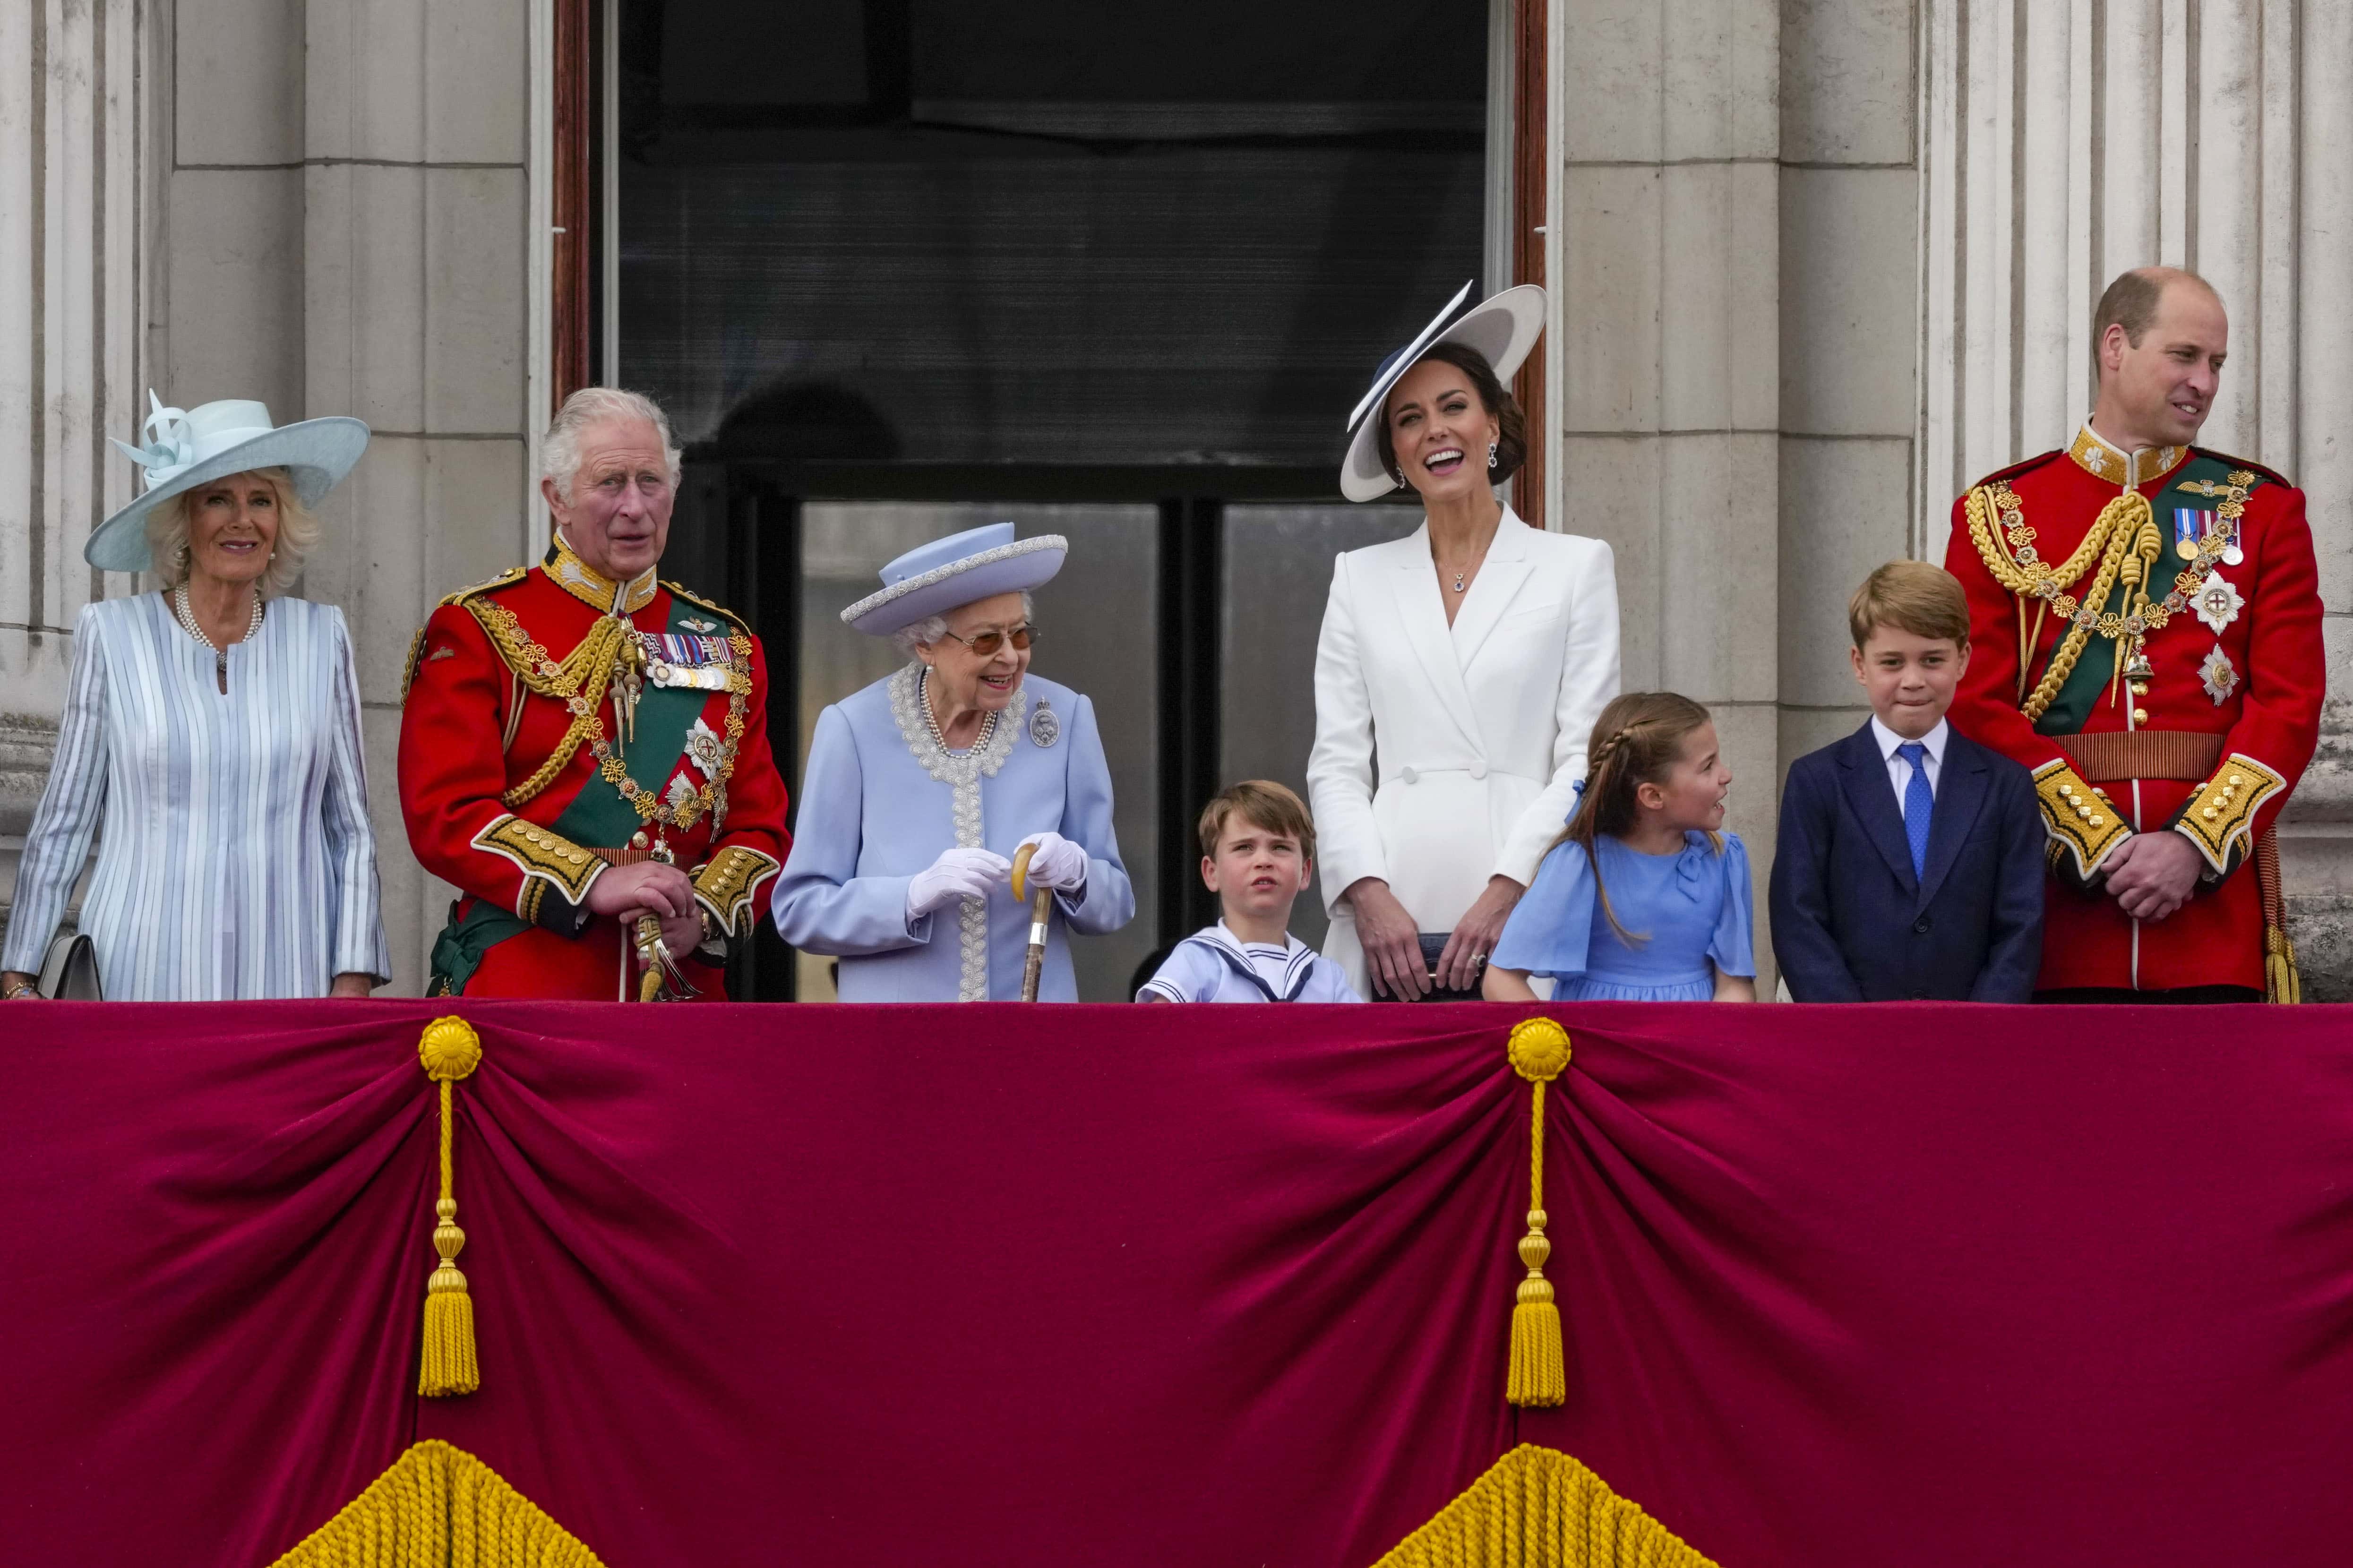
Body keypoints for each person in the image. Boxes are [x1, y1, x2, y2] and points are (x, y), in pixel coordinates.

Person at [1941, 267, 2325, 1002]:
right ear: (2116, 346)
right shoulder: (1998, 512)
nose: (2205, 382)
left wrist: (2193, 845)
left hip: (2210, 921)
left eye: (2216, 363)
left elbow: (2290, 704)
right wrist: (2097, 842)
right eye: (2185, 356)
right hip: (2055, 921)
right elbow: (1974, 704)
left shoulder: (2263, 510)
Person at [397, 387, 793, 1000]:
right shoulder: (481, 627)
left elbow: (760, 828)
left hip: (680, 1004)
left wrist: (704, 913)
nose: (634, 507)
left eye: (651, 482)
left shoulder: (728, 645)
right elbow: (446, 814)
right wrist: (592, 882)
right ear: (556, 497)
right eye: (611, 482)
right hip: (527, 992)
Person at [0, 393, 389, 1001]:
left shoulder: (321, 638)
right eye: (218, 499)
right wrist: (20, 974)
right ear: (184, 519)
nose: (243, 520)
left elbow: (351, 830)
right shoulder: (114, 634)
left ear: (281, 519)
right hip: (142, 970)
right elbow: (65, 820)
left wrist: (353, 976)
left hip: (290, 971)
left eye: (261, 500)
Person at [1310, 282, 1621, 1003]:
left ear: (1493, 426)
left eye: (1454, 406)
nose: (1435, 431)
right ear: (1396, 453)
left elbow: (1586, 753)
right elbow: (1337, 762)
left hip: (1527, 900)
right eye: (1410, 419)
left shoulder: (1575, 565)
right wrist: (1366, 893)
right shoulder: (1358, 577)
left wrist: (1511, 885)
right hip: (1390, 911)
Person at [771, 523, 1134, 1000]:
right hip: (899, 1039)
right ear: (925, 645)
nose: (1011, 657)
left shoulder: (1064, 718)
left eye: (1020, 635)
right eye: (986, 641)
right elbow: (802, 910)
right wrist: (911, 894)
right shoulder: (853, 728)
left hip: (1026, 1040)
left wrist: (1079, 873)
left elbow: (1116, 903)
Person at [1769, 561, 2045, 1002]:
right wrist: (1851, 1027)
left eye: (1932, 660)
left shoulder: (2005, 785)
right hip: (1851, 1037)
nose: (1913, 681)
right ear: (1860, 664)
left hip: (1971, 1038)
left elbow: (2022, 922)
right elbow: (1798, 918)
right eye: (1892, 663)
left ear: (1963, 660)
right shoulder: (1816, 781)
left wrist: (1982, 1026)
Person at [1483, 692, 1754, 1003]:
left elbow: (1735, 986)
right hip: (1598, 1045)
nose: (1726, 774)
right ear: (1653, 796)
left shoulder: (1725, 858)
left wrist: (1706, 1047)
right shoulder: (1579, 862)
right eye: (1708, 766)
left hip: (1688, 1044)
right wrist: (1553, 1043)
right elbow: (1501, 979)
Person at [1137, 780, 1360, 1004]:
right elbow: (1157, 1034)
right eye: (1244, 847)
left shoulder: (1328, 978)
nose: (1263, 861)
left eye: (1280, 847)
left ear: (1305, 872)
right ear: (1212, 873)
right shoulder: (1195, 961)